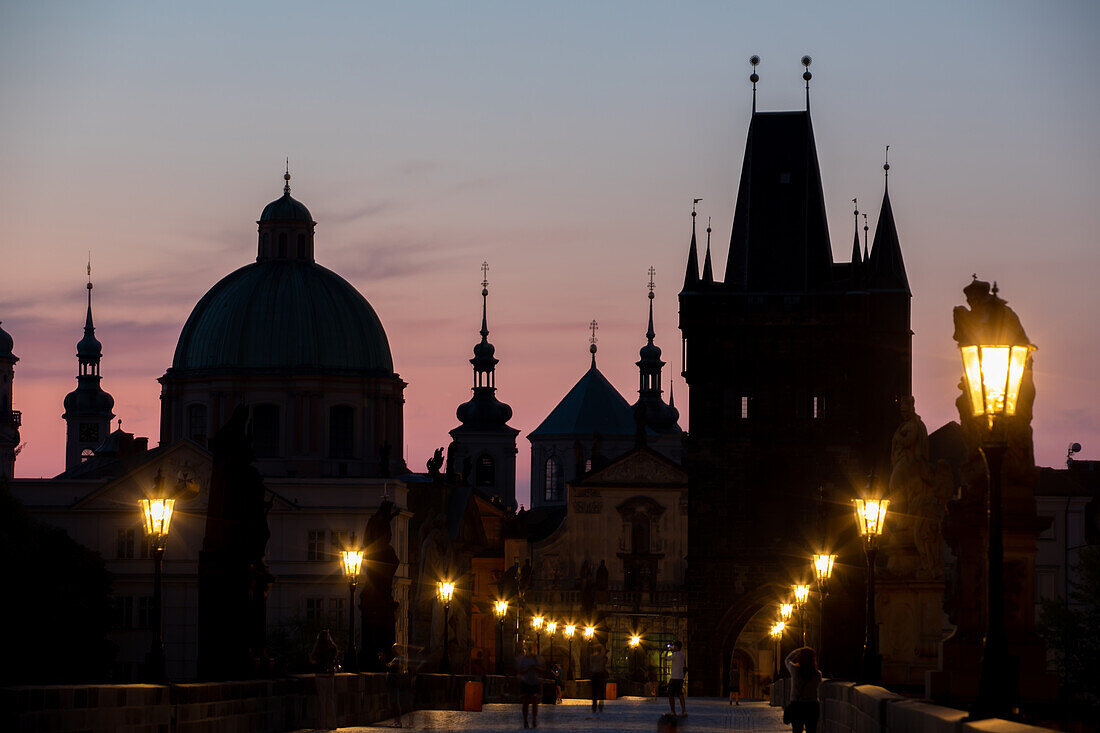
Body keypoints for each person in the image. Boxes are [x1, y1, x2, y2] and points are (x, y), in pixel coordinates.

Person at [784, 647, 822, 733]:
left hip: (797, 706)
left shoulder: (795, 670)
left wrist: (798, 651)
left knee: (797, 730)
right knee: (812, 730)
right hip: (812, 706)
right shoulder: (817, 674)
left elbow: (787, 660)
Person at [309, 629, 339, 731]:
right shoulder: (332, 647)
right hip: (330, 675)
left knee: (321, 700)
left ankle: (321, 724)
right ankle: (332, 723)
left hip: (320, 676)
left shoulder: (318, 648)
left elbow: (313, 660)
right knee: (330, 700)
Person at [516, 640, 544, 729]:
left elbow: (543, 669)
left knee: (534, 701)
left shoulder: (537, 659)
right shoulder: (522, 659)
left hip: (535, 681)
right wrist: (527, 669)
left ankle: (534, 719)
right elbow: (518, 671)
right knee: (526, 702)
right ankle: (525, 720)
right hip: (525, 681)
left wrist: (535, 668)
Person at [382, 644, 408, 728]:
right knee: (394, 703)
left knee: (395, 703)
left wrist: (383, 661)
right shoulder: (397, 659)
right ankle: (396, 721)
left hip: (394, 683)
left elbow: (392, 668)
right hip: (392, 682)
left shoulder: (399, 659)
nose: (393, 650)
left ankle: (398, 722)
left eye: (395, 648)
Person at [667, 640, 687, 717]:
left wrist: (668, 650)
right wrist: (671, 646)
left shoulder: (674, 655)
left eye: (675, 646)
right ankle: (683, 710)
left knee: (671, 694)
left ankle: (673, 711)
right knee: (680, 694)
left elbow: (667, 658)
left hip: (674, 677)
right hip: (680, 677)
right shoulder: (682, 654)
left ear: (677, 647)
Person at [590, 642, 609, 714]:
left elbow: (591, 665)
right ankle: (600, 705)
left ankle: (594, 706)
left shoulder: (592, 656)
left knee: (594, 692)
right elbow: (605, 663)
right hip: (601, 675)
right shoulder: (603, 657)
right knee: (601, 691)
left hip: (594, 675)